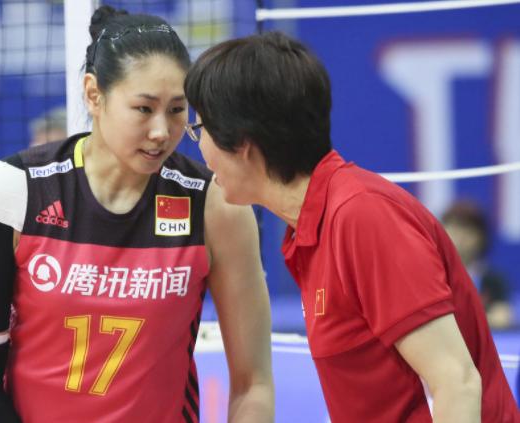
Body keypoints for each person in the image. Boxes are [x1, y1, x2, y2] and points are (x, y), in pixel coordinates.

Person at [0, 6, 274, 423]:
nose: (161, 131)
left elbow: (253, 384)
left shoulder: (215, 204)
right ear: (93, 94)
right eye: (144, 108)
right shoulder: (12, 190)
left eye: (177, 110)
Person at [184, 31, 520, 422]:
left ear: (242, 141)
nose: (198, 147)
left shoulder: (363, 218)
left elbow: (457, 383)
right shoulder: (312, 228)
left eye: (200, 129)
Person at [442, 200, 514, 329]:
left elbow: (502, 318)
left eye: (468, 231)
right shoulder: (434, 275)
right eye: (454, 229)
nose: (460, 238)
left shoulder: (493, 279)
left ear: (481, 238)